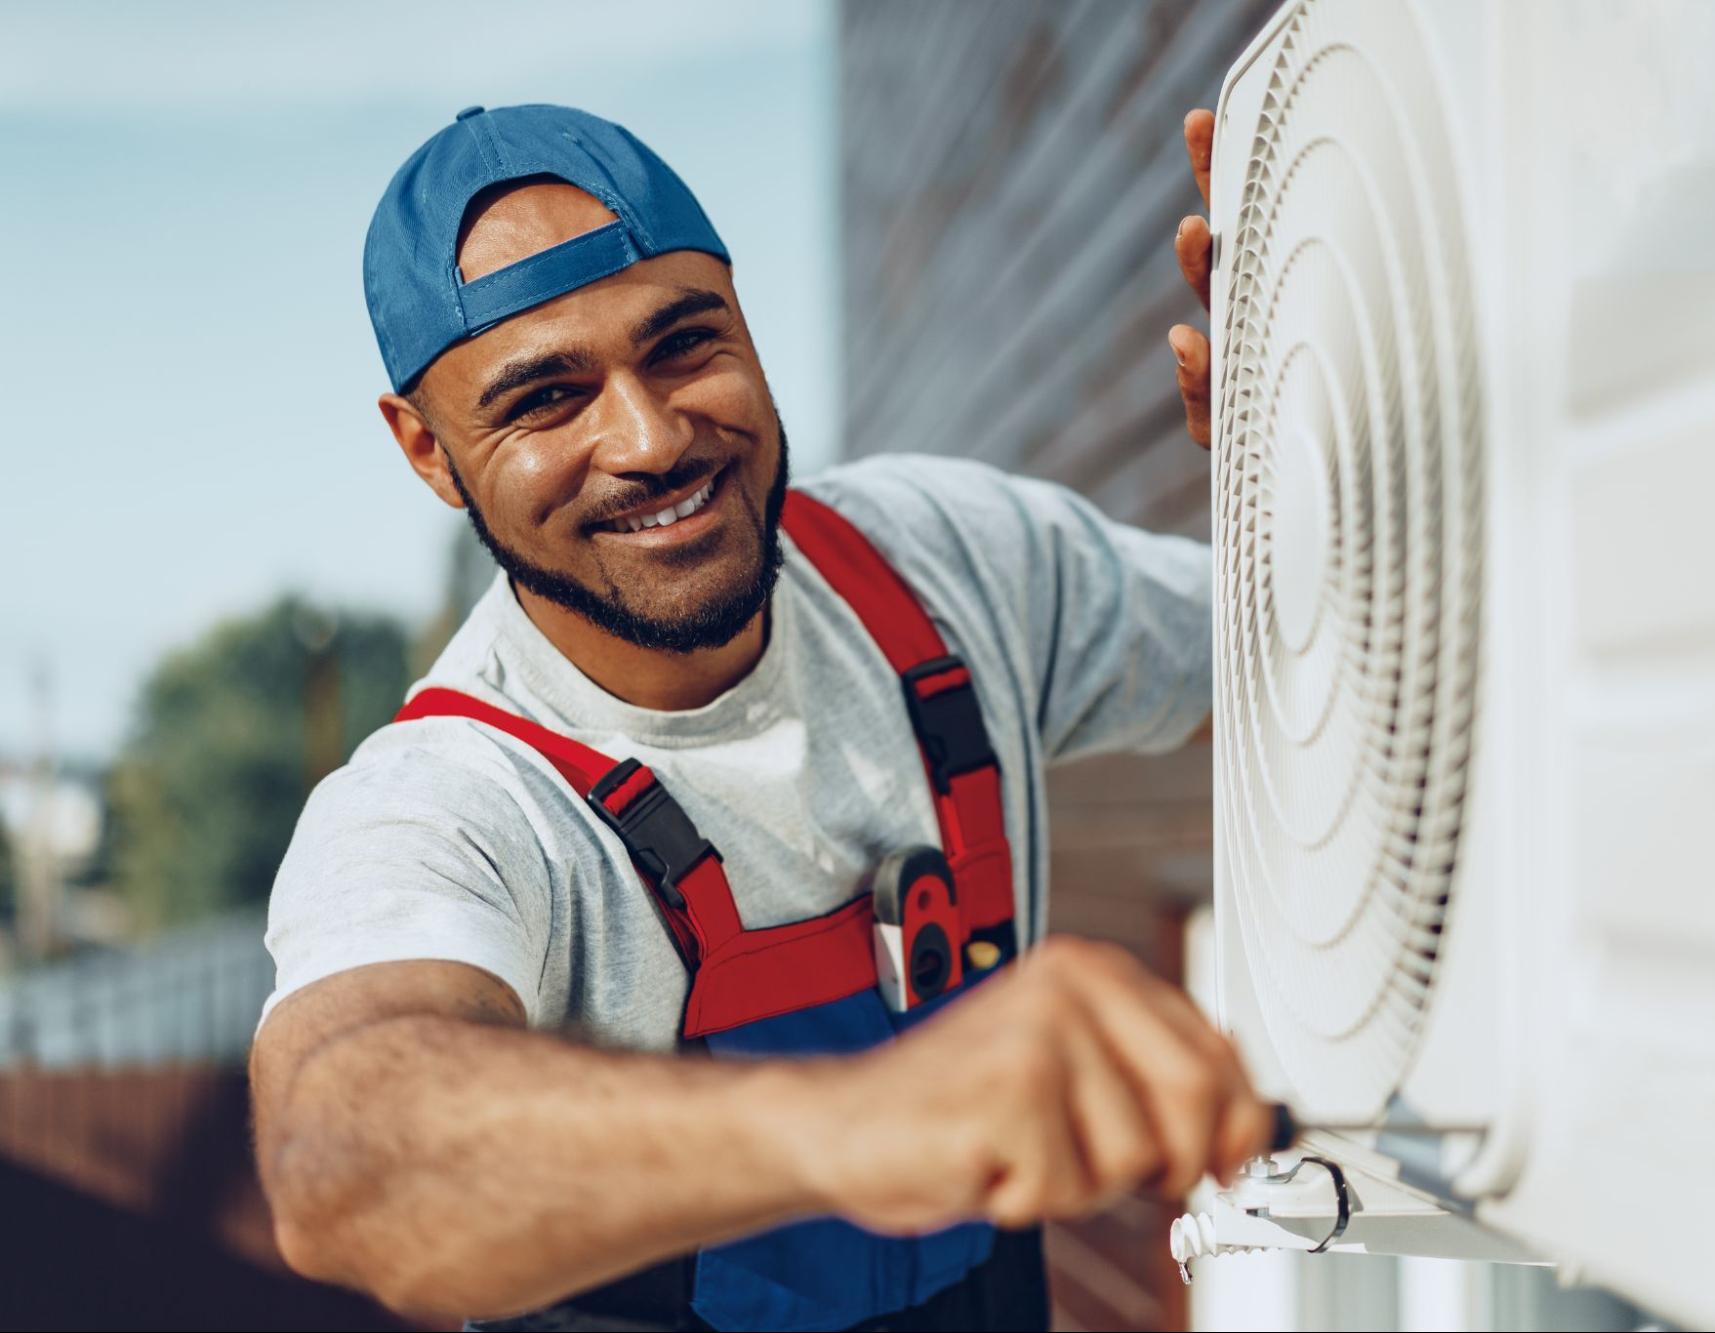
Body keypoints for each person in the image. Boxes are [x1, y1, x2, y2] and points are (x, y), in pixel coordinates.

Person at [249, 101, 1240, 1332]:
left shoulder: (948, 564)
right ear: (429, 450)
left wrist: (1289, 455)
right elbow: (340, 1164)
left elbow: (1317, 656)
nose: (651, 437)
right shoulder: (448, 803)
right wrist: (872, 1116)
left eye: (682, 345)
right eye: (545, 399)